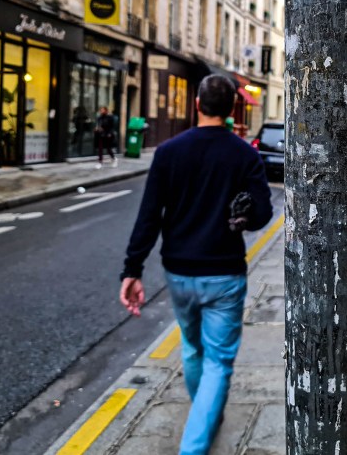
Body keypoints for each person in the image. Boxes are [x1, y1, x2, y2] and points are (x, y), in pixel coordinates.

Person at [119, 74, 273, 455]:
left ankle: (206, 409)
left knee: (191, 347)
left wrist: (132, 270)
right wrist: (241, 216)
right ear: (231, 109)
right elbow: (262, 214)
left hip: (179, 271)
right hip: (223, 272)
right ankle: (195, 444)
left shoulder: (170, 152)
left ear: (197, 105)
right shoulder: (244, 155)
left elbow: (149, 217)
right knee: (219, 361)